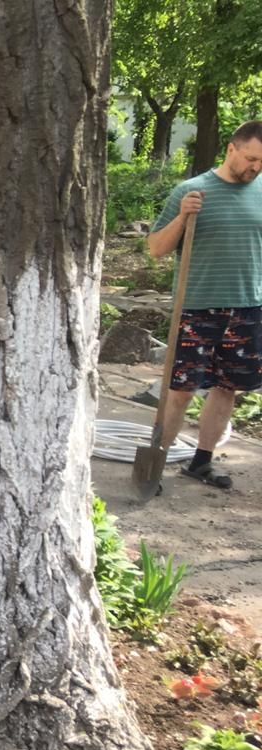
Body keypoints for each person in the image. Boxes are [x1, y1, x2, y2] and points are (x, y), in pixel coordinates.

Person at [149, 119, 262, 490]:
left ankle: (201, 462)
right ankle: (156, 461)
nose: (255, 167)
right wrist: (183, 216)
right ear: (231, 149)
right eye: (251, 159)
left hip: (247, 308)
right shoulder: (192, 190)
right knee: (181, 390)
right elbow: (156, 248)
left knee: (228, 387)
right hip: (197, 307)